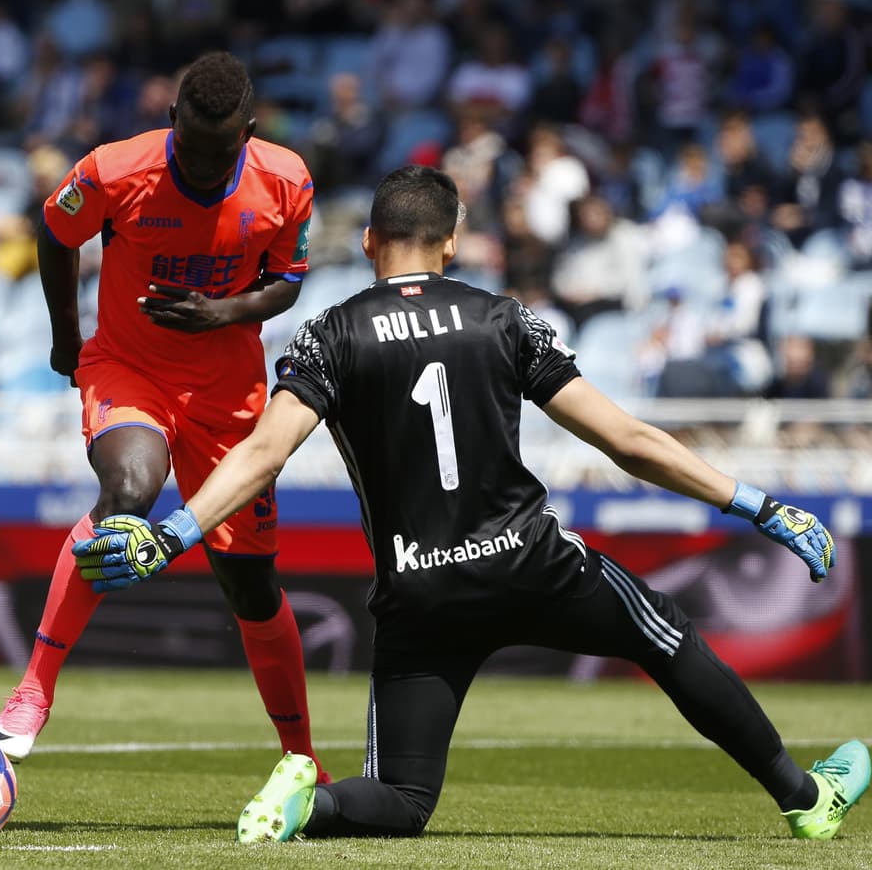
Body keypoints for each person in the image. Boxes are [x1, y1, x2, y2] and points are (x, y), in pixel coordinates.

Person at [73, 165, 868, 844]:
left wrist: (169, 534)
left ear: (369, 243)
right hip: (530, 560)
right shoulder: (503, 317)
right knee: (666, 637)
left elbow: (261, 454)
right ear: (451, 241)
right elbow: (626, 439)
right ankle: (805, 800)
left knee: (406, 800)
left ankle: (309, 804)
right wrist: (761, 505)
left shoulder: (330, 334)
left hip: (421, 592)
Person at [0, 51, 326, 780]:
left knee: (252, 588)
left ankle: (301, 759)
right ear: (172, 120)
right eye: (193, 149)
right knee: (127, 496)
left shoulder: (287, 179)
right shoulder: (113, 169)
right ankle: (34, 689)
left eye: (221, 152)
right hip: (129, 369)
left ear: (250, 131)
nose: (204, 168)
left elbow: (287, 283)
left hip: (228, 398)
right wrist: (67, 340)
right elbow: (55, 234)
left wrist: (222, 312)